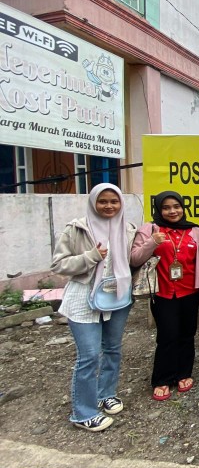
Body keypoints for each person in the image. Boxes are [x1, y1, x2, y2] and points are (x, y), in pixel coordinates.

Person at [51, 183, 136, 432]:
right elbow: (59, 264)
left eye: (114, 201)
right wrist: (91, 257)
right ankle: (83, 412)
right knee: (88, 356)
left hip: (118, 298)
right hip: (84, 298)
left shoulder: (127, 229)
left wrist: (151, 244)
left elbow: (133, 260)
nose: (109, 206)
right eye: (103, 201)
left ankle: (105, 394)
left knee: (112, 349)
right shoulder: (77, 228)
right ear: (93, 203)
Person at [131, 191, 199, 401]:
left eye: (176, 206)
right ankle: (162, 379)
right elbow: (134, 259)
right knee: (167, 336)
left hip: (190, 291)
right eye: (166, 207)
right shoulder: (150, 229)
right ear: (159, 209)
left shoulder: (194, 230)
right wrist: (152, 243)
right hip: (163, 293)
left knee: (188, 333)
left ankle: (184, 373)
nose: (172, 211)